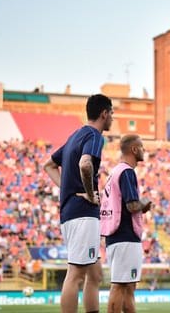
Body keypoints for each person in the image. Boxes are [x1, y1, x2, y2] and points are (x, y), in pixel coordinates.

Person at [43, 93, 113, 313]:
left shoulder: (75, 135)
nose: (112, 117)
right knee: (76, 275)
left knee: (95, 274)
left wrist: (69, 189)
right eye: (112, 113)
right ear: (104, 113)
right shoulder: (94, 136)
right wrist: (90, 193)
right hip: (83, 212)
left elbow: (49, 165)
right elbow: (85, 164)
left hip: (72, 212)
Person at [100, 134, 152, 313]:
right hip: (125, 235)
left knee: (128, 286)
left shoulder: (114, 172)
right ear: (134, 149)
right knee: (120, 286)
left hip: (116, 235)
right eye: (142, 147)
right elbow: (131, 205)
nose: (144, 151)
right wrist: (145, 204)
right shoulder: (126, 171)